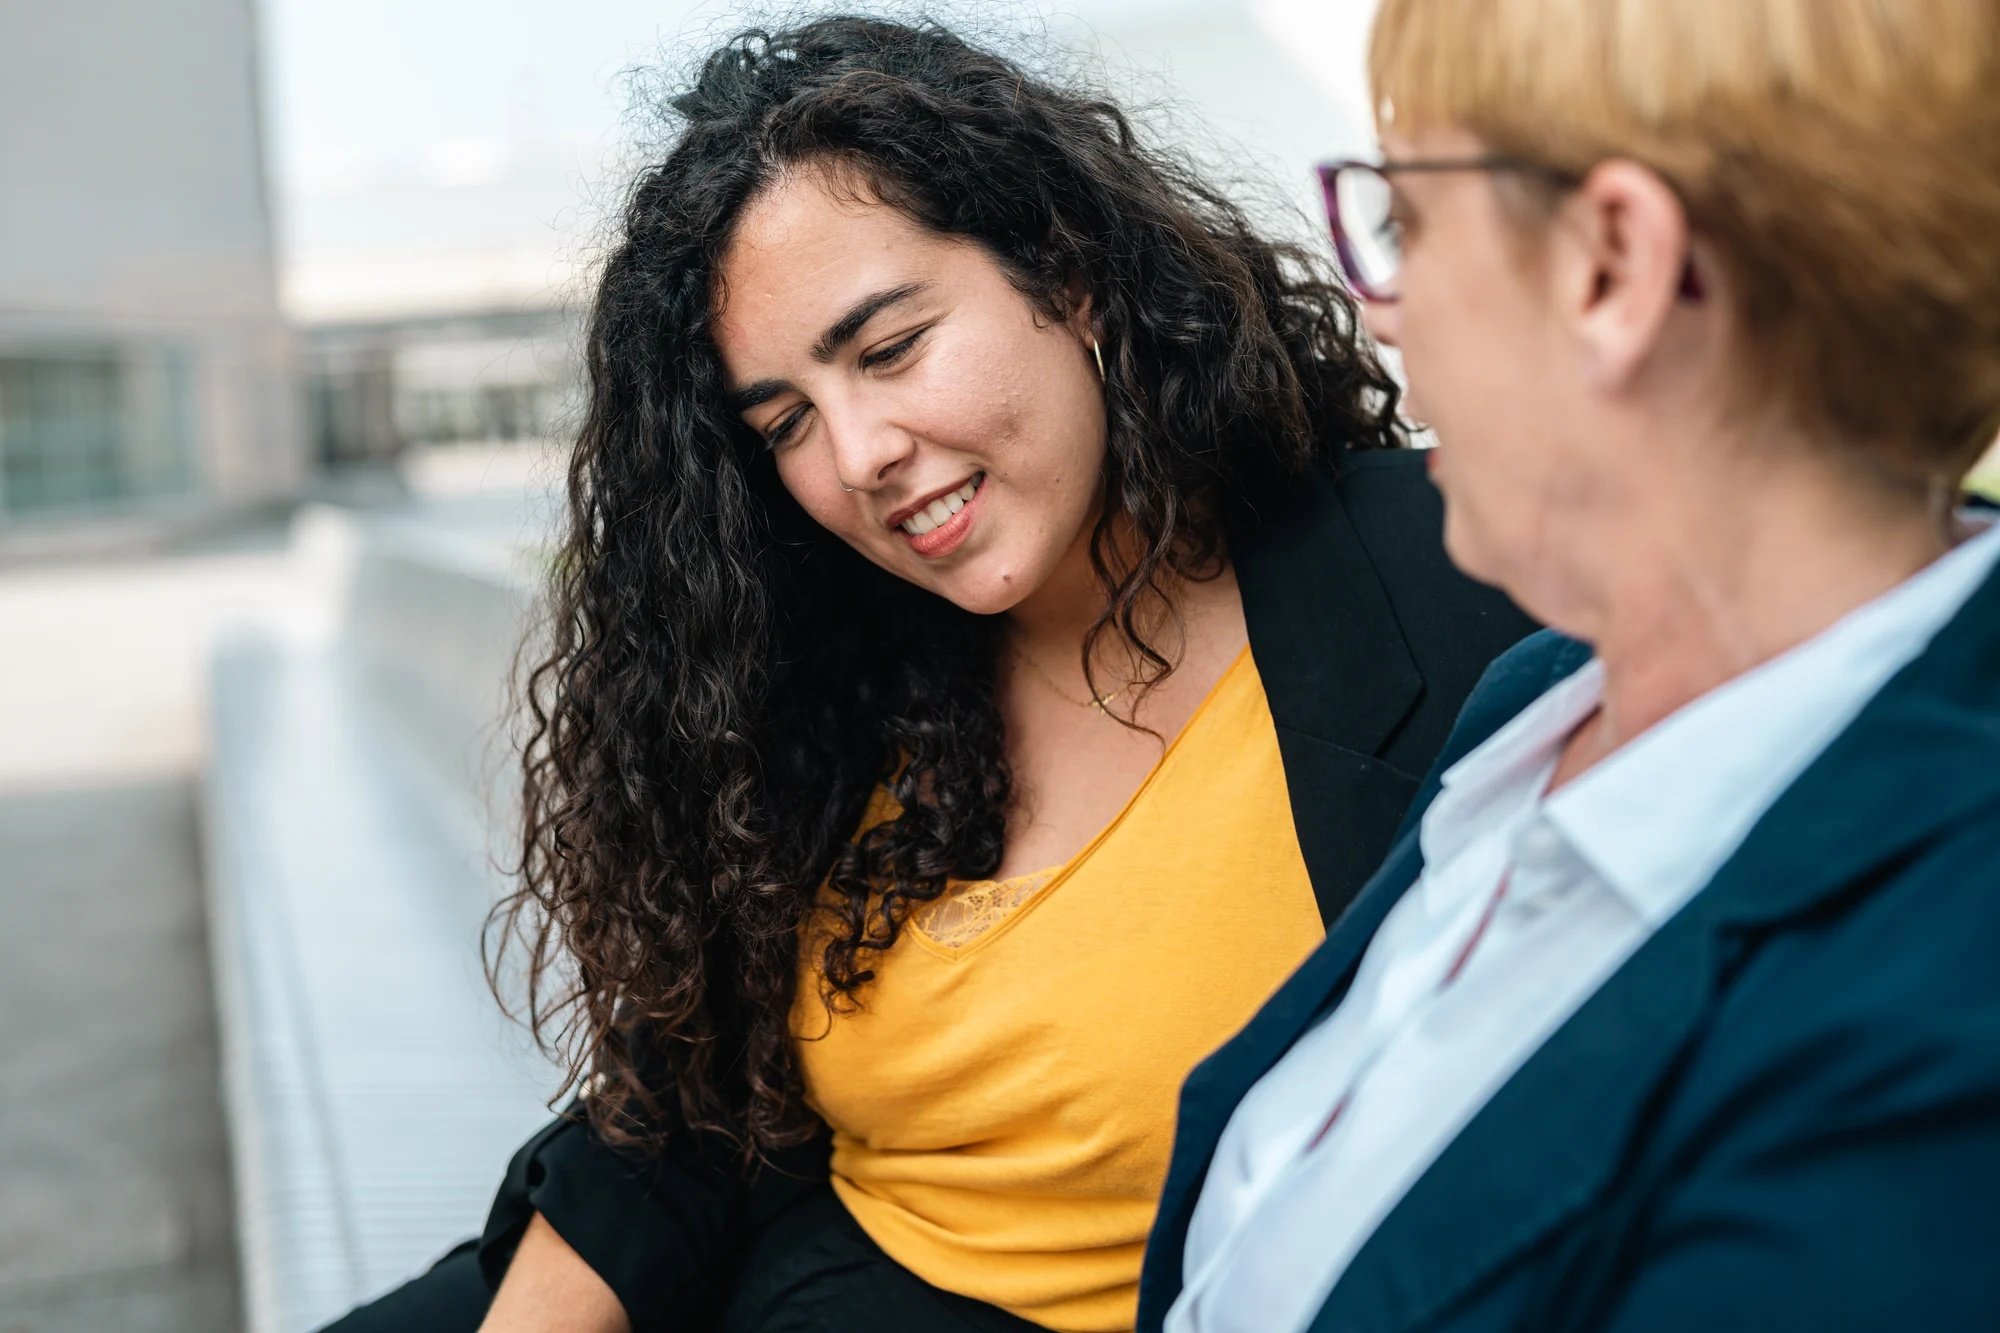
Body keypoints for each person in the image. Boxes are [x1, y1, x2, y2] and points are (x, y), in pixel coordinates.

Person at [325, 17, 1533, 1333]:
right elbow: (698, 1098)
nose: (855, 456)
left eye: (889, 350)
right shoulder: (836, 664)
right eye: (783, 419)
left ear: (1067, 276)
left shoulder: (1452, 579)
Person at [1140, 0, 2000, 1330]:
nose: (1385, 316)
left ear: (1615, 264)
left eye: (1408, 221)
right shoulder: (1542, 694)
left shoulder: (1939, 1019)